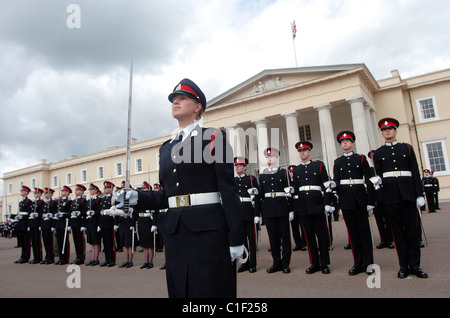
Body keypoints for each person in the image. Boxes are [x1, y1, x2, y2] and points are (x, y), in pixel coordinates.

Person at [116, 78, 245, 298]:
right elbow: (166, 195)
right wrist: (137, 197)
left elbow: (228, 190)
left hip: (208, 232)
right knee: (180, 290)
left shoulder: (213, 137)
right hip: (175, 232)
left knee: (209, 291)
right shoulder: (166, 149)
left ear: (197, 107)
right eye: (173, 99)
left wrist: (237, 238)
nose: (175, 102)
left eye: (182, 98)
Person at [372, 117, 428, 279]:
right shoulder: (379, 153)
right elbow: (379, 176)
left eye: (390, 129)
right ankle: (403, 266)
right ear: (382, 133)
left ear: (395, 131)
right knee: (397, 233)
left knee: (411, 232)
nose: (387, 131)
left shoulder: (407, 149)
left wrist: (419, 194)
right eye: (384, 130)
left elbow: (415, 173)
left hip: (408, 195)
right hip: (390, 197)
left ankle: (416, 265)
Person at [333, 131, 375, 275]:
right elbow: (337, 181)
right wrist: (334, 186)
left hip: (360, 198)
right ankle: (357, 262)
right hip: (346, 200)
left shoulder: (361, 159)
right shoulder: (337, 162)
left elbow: (369, 180)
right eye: (342, 142)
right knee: (353, 233)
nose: (345, 143)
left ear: (352, 143)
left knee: (364, 232)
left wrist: (370, 200)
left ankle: (369, 263)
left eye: (347, 141)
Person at [291, 141, 333, 274]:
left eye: (304, 150)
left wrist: (327, 203)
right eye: (300, 151)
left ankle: (324, 263)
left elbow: (326, 186)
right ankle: (314, 262)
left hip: (317, 204)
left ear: (309, 152)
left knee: (321, 235)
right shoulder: (296, 169)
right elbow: (296, 190)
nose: (302, 152)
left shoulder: (319, 166)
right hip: (303, 207)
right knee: (309, 237)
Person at [258, 147, 293, 274]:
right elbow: (261, 195)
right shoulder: (262, 175)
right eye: (267, 157)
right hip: (269, 209)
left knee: (285, 237)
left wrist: (291, 210)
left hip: (282, 208)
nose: (269, 159)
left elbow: (289, 193)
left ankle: (285, 263)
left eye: (271, 157)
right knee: (273, 238)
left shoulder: (284, 173)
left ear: (277, 158)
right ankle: (276, 262)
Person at [234, 156, 260, 273]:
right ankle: (245, 262)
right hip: (239, 213)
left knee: (251, 240)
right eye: (236, 165)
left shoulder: (251, 179)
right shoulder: (233, 180)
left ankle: (253, 264)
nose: (237, 167)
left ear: (245, 167)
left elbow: (257, 198)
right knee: (242, 240)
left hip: (249, 212)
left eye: (239, 165)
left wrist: (256, 214)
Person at [367, 150, 394, 249]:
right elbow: (369, 186)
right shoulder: (369, 171)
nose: (373, 160)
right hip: (376, 199)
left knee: (388, 220)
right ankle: (383, 239)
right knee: (379, 221)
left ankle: (390, 240)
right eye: (371, 158)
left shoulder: (383, 168)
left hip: (386, 197)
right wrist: (370, 201)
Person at [136, 182, 157, 269]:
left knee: (149, 243)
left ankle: (150, 261)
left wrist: (154, 224)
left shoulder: (153, 198)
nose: (143, 190)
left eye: (145, 188)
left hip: (149, 220)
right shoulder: (140, 199)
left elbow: (155, 212)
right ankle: (146, 261)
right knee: (144, 243)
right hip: (141, 220)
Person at [288, 165, 307, 251]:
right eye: (290, 172)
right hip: (292, 206)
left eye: (292, 172)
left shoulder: (299, 180)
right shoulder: (288, 182)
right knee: (294, 227)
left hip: (300, 203)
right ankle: (297, 243)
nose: (291, 174)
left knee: (303, 226)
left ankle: (304, 243)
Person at [99, 181, 116, 267]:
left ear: (111, 189)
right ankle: (107, 259)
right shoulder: (103, 199)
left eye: (106, 188)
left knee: (110, 242)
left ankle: (112, 260)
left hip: (110, 222)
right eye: (104, 188)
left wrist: (115, 223)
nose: (105, 189)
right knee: (105, 242)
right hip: (103, 222)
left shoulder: (113, 198)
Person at [69, 184, 87, 265]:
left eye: (78, 190)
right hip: (74, 223)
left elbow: (85, 213)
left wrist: (83, 225)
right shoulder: (73, 201)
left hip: (79, 223)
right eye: (76, 190)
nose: (77, 191)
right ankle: (77, 256)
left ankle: (81, 257)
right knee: (76, 241)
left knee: (80, 241)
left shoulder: (83, 201)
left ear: (82, 192)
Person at [14, 186, 32, 264]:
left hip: (25, 223)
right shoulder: (21, 202)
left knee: (26, 241)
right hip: (21, 224)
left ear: (26, 192)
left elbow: (29, 213)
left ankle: (26, 257)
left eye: (23, 191)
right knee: (22, 241)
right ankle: (22, 256)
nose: (21, 192)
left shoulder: (28, 202)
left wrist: (23, 216)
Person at [54, 186, 72, 265]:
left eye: (64, 191)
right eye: (62, 191)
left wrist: (64, 216)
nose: (62, 192)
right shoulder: (59, 202)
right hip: (59, 222)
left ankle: (65, 258)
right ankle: (61, 258)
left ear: (68, 193)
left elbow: (70, 213)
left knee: (64, 241)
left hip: (65, 222)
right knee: (59, 241)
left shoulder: (68, 201)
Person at [86, 184, 102, 266]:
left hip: (96, 222)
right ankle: (93, 258)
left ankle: (96, 258)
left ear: (96, 190)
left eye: (92, 189)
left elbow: (100, 211)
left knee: (96, 241)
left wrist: (94, 213)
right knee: (91, 241)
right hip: (90, 222)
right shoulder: (89, 200)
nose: (91, 191)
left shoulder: (98, 200)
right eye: (90, 190)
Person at [41, 188, 57, 264]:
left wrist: (53, 225)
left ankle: (51, 257)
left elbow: (55, 214)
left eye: (47, 193)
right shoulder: (45, 203)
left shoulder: (53, 203)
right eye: (45, 193)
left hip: (50, 224)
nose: (46, 194)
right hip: (44, 224)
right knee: (45, 241)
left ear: (51, 194)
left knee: (50, 242)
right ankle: (47, 256)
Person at [28, 188, 44, 264]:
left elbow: (42, 213)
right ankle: (35, 257)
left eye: (37, 193)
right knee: (33, 241)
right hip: (32, 223)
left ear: (40, 194)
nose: (35, 194)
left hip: (37, 223)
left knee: (37, 241)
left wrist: (38, 217)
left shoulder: (41, 202)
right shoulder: (32, 203)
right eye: (34, 193)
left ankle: (39, 257)